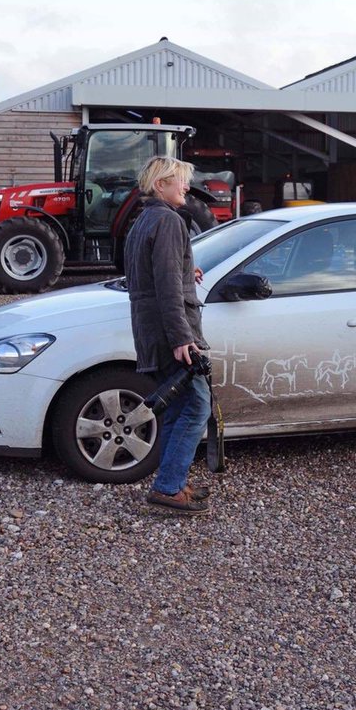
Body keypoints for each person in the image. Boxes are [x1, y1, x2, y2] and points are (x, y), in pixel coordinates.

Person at [125, 156, 212, 515]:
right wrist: (181, 338)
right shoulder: (169, 221)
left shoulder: (143, 221)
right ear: (160, 185)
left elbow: (152, 274)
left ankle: (171, 481)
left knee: (178, 407)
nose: (187, 187)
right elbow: (165, 286)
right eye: (180, 180)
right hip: (170, 334)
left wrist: (186, 271)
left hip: (149, 330)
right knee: (197, 405)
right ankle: (168, 487)